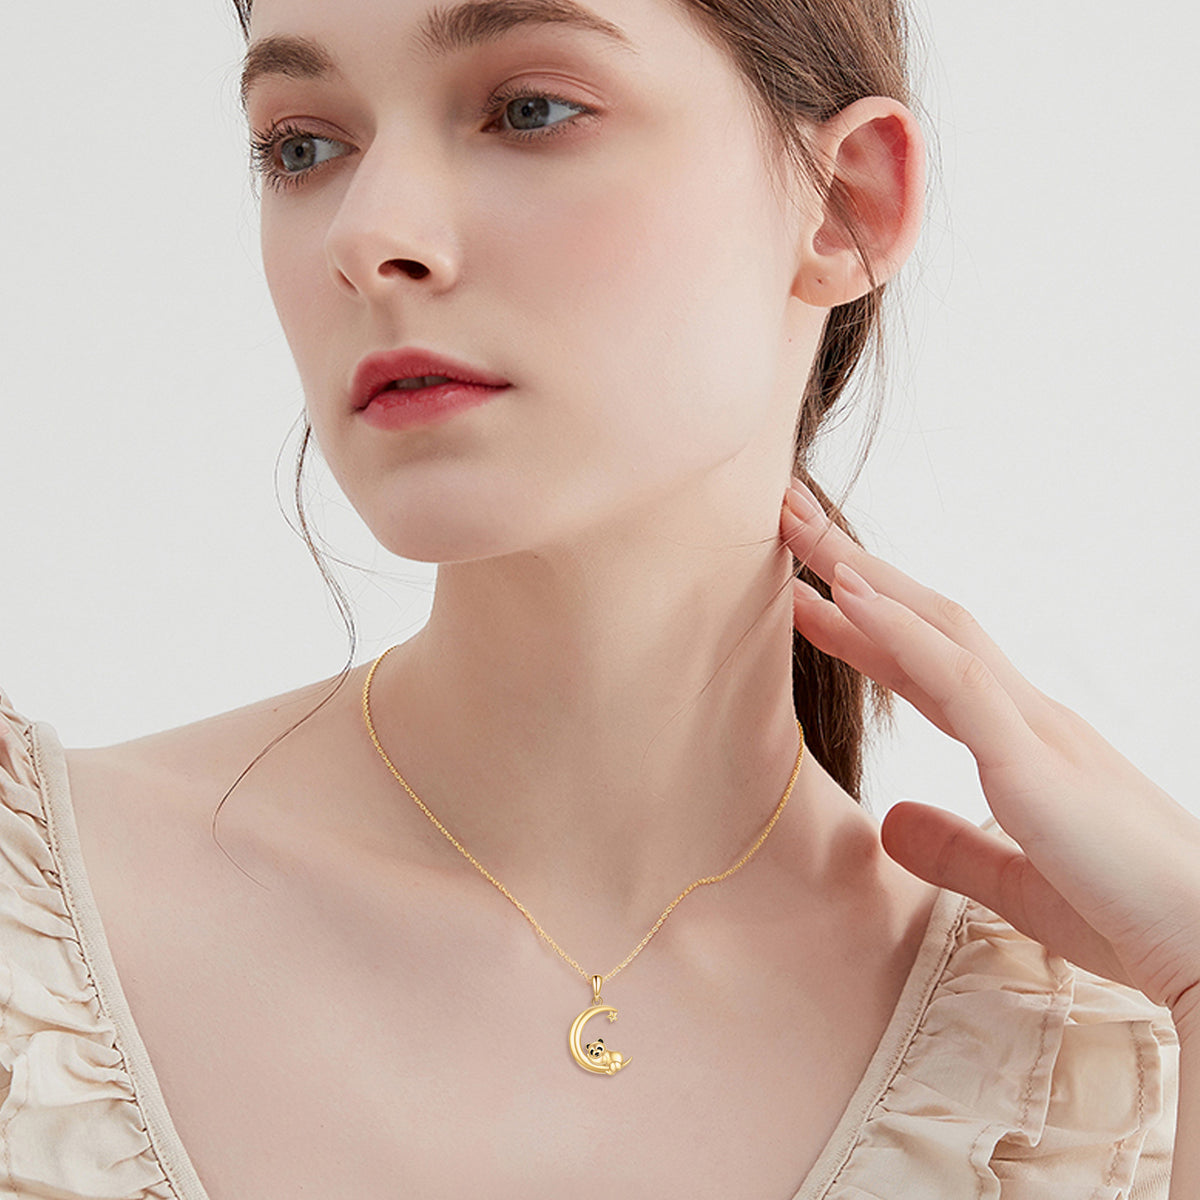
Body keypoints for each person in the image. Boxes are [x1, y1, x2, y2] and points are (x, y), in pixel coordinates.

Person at [1, 0, 1197, 1197]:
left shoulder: (1081, 1102)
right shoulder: (33, 935)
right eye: (302, 145)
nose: (367, 236)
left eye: (529, 111)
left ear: (845, 205)